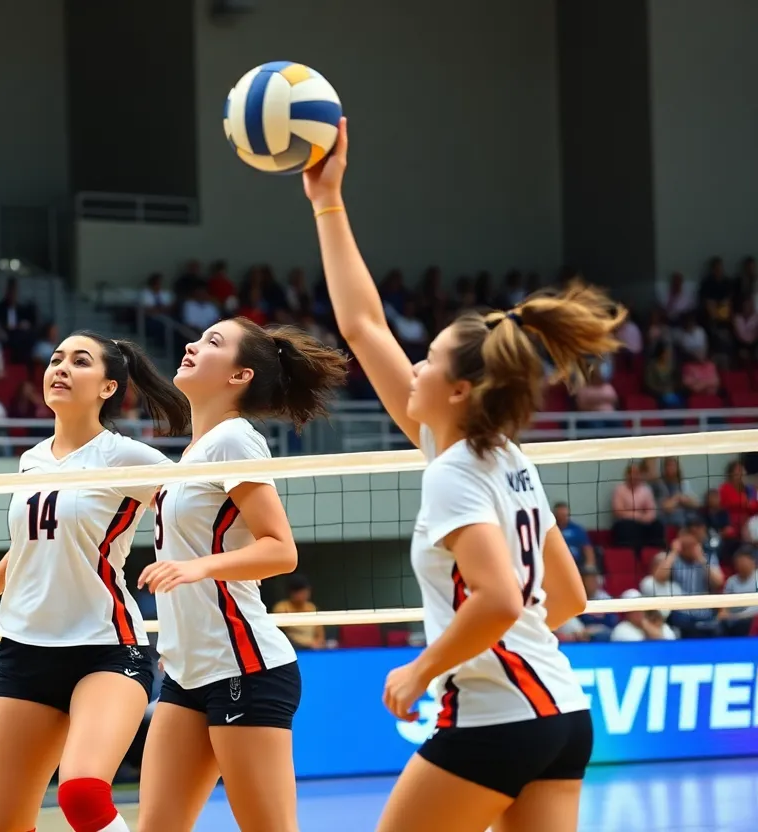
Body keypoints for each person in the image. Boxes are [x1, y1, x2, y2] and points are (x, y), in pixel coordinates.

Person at [301, 118, 602, 832]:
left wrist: (424, 669)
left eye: (429, 359)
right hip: (561, 713)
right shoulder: (505, 458)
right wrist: (327, 202)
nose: (416, 366)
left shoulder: (453, 473)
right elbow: (567, 595)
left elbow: (499, 599)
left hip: (498, 720)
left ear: (460, 388)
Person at [0, 331, 189, 832]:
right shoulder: (31, 459)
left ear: (107, 387)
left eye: (79, 361)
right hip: (25, 650)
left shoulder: (128, 458)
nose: (60, 367)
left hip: (106, 647)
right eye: (55, 358)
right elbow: (37, 539)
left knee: (81, 795)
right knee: (1, 825)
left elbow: (201, 511)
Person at [135, 316, 345, 832]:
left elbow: (280, 550)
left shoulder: (234, 439)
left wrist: (197, 567)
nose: (191, 344)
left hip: (243, 668)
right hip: (187, 671)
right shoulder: (191, 453)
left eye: (213, 342)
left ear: (239, 376)